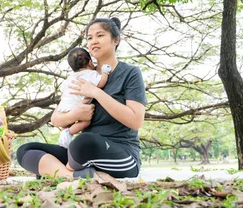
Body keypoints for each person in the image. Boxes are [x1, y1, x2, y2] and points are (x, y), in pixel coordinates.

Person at [16, 17, 147, 179]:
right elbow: (56, 119)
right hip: (82, 155)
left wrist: (96, 92)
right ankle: (74, 177)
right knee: (25, 150)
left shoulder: (130, 73)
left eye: (99, 35)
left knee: (82, 142)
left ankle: (54, 171)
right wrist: (75, 115)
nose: (93, 41)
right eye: (89, 38)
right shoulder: (81, 76)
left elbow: (136, 121)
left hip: (121, 153)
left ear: (116, 40)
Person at [57, 47, 109, 149]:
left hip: (64, 105)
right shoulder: (90, 74)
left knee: (66, 123)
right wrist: (105, 72)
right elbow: (101, 83)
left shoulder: (70, 78)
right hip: (76, 105)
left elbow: (63, 90)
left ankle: (64, 133)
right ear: (90, 62)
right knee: (86, 122)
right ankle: (69, 133)